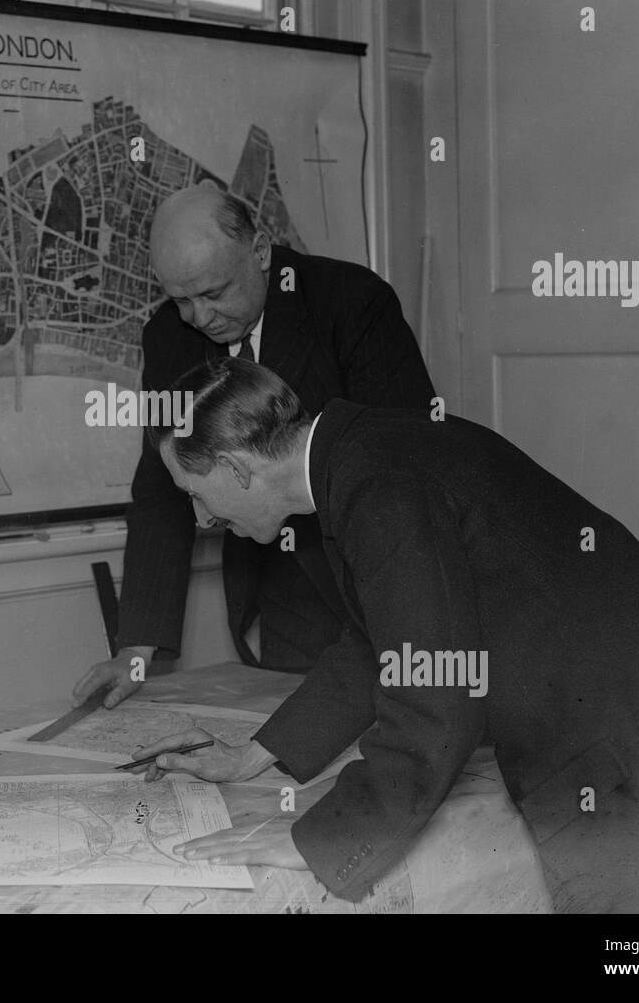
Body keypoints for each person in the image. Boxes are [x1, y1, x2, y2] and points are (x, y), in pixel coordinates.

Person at [134, 357, 639, 913]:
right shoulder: (368, 451)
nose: (200, 516)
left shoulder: (378, 489)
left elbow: (433, 703)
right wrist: (257, 755)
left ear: (238, 469)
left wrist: (327, 839)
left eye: (195, 492)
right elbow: (382, 640)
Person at [72, 183, 434, 707]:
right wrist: (136, 649)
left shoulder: (351, 303)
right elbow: (161, 492)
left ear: (261, 253)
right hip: (285, 580)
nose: (199, 317)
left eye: (214, 293)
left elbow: (402, 460)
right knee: (296, 740)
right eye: (180, 300)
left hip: (378, 568)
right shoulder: (168, 338)